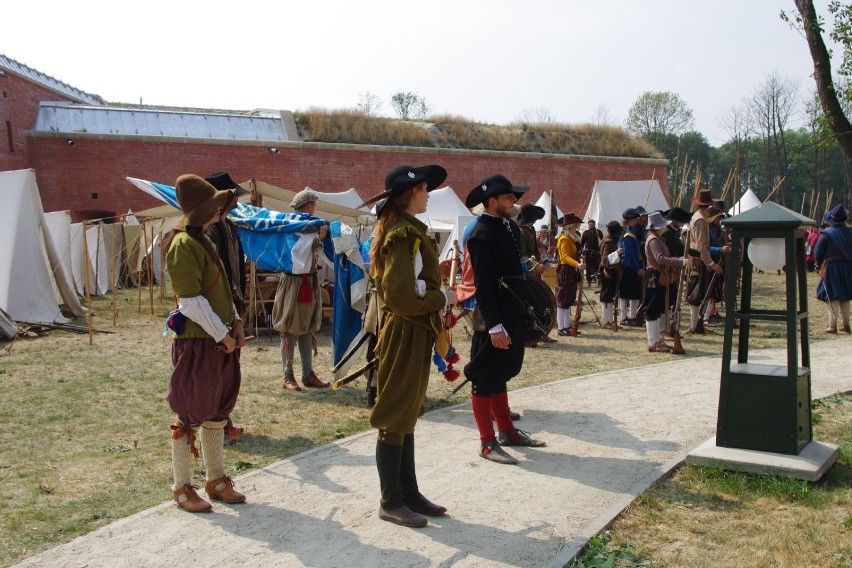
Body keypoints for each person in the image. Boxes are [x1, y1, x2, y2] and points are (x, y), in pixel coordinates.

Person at [364, 164, 455, 528]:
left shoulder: (409, 232)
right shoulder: (402, 236)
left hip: (415, 329)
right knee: (394, 415)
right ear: (409, 194)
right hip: (405, 329)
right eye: (424, 189)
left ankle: (408, 493)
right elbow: (401, 297)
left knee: (408, 412)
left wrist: (434, 297)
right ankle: (391, 501)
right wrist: (440, 297)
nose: (429, 193)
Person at [163, 174, 247, 513]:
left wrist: (236, 324)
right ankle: (182, 487)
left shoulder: (205, 242)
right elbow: (191, 303)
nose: (218, 213)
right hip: (199, 343)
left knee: (216, 411)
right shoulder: (182, 245)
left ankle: (215, 478)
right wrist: (223, 335)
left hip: (219, 340)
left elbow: (223, 291)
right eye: (212, 208)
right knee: (190, 413)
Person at [463, 174, 546, 465]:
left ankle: (507, 431)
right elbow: (483, 284)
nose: (514, 201)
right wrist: (495, 324)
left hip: (511, 309)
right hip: (492, 315)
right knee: (484, 375)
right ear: (492, 201)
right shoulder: (481, 233)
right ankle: (487, 441)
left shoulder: (509, 226)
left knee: (501, 372)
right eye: (508, 197)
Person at [205, 172, 248, 446]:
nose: (236, 201)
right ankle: (215, 424)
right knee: (216, 368)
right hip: (216, 307)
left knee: (230, 367)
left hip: (232, 304)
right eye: (232, 196)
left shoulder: (230, 227)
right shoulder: (208, 230)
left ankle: (224, 418)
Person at [272, 188, 330, 390]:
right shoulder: (292, 226)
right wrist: (318, 239)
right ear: (308, 206)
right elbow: (296, 251)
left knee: (307, 327)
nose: (315, 208)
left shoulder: (309, 226)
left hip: (309, 281)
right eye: (313, 204)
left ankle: (308, 374)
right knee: (290, 328)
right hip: (293, 283)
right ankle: (288, 376)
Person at [642, 212, 690, 352]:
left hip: (660, 275)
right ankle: (653, 342)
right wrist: (680, 261)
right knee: (651, 309)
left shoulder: (657, 239)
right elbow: (660, 259)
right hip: (654, 276)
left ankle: (657, 339)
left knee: (657, 309)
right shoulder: (653, 240)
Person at [686, 190, 725, 334]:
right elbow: (702, 245)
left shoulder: (698, 217)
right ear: (708, 206)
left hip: (698, 259)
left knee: (699, 294)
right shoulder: (701, 220)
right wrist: (711, 264)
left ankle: (696, 323)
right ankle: (694, 324)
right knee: (696, 294)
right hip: (699, 261)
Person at [815, 203, 852, 333]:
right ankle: (846, 325)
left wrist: (818, 264)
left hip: (832, 267)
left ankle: (832, 325)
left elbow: (818, 252)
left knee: (832, 296)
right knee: (845, 296)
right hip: (847, 267)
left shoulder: (826, 234)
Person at [555, 213, 585, 335]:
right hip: (566, 270)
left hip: (570, 270)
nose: (576, 227)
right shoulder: (564, 239)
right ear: (569, 226)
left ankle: (566, 326)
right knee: (563, 300)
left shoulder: (570, 238)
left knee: (568, 300)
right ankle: (561, 327)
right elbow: (565, 257)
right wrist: (577, 264)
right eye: (575, 225)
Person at [619, 208, 643, 326]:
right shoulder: (628, 235)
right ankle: (624, 317)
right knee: (626, 294)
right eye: (634, 219)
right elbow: (629, 255)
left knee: (634, 293)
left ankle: (632, 316)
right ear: (629, 220)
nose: (636, 220)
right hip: (629, 267)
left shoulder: (630, 231)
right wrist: (637, 268)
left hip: (631, 266)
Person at [598, 220, 623, 329]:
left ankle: (610, 320)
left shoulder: (610, 241)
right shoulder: (608, 242)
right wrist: (617, 253)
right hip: (608, 271)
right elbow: (605, 260)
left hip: (612, 271)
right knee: (606, 296)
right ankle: (605, 321)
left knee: (610, 296)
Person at [580, 219, 603, 286]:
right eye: (590, 224)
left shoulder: (598, 232)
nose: (591, 225)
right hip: (588, 253)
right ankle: (589, 282)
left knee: (598, 268)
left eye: (592, 224)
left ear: (594, 224)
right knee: (588, 268)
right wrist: (581, 250)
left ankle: (599, 281)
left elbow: (601, 242)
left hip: (596, 252)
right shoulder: (586, 232)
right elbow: (582, 243)